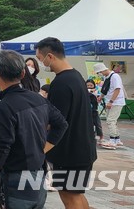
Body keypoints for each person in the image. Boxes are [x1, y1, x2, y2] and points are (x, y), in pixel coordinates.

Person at [0, 50, 69, 208]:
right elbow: (61, 124)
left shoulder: (4, 107)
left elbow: (2, 147)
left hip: (17, 177)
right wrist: (42, 149)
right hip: (39, 174)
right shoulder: (37, 98)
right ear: (22, 74)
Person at [36, 37, 97, 209]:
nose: (41, 64)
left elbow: (56, 121)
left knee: (70, 197)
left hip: (70, 151)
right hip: (82, 147)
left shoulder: (61, 83)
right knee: (76, 194)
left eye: (40, 59)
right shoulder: (76, 76)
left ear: (50, 56)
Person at [93, 62, 125, 148]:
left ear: (102, 70)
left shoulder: (115, 76)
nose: (99, 74)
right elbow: (106, 89)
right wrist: (101, 97)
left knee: (110, 121)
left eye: (99, 73)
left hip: (116, 102)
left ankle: (112, 140)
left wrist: (111, 101)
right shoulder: (107, 77)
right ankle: (117, 140)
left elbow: (117, 89)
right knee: (112, 121)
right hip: (110, 102)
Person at [86, 79, 111, 149]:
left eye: (91, 85)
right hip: (87, 112)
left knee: (98, 124)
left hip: (95, 111)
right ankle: (91, 137)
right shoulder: (84, 92)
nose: (89, 86)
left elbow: (99, 96)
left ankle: (101, 137)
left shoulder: (96, 91)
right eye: (87, 85)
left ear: (94, 85)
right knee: (88, 125)